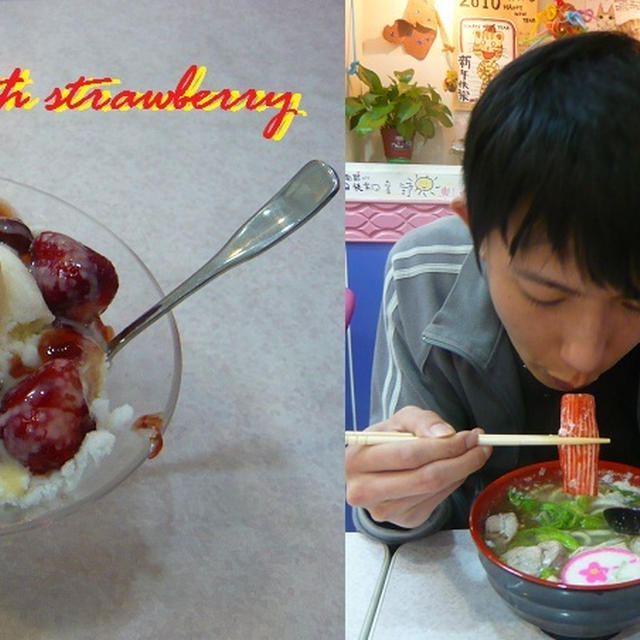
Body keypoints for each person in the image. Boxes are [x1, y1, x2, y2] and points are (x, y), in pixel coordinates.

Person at [345, 30, 640, 544]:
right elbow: (400, 519)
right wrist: (397, 500)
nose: (583, 355)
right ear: (474, 228)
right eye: (546, 294)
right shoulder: (424, 275)